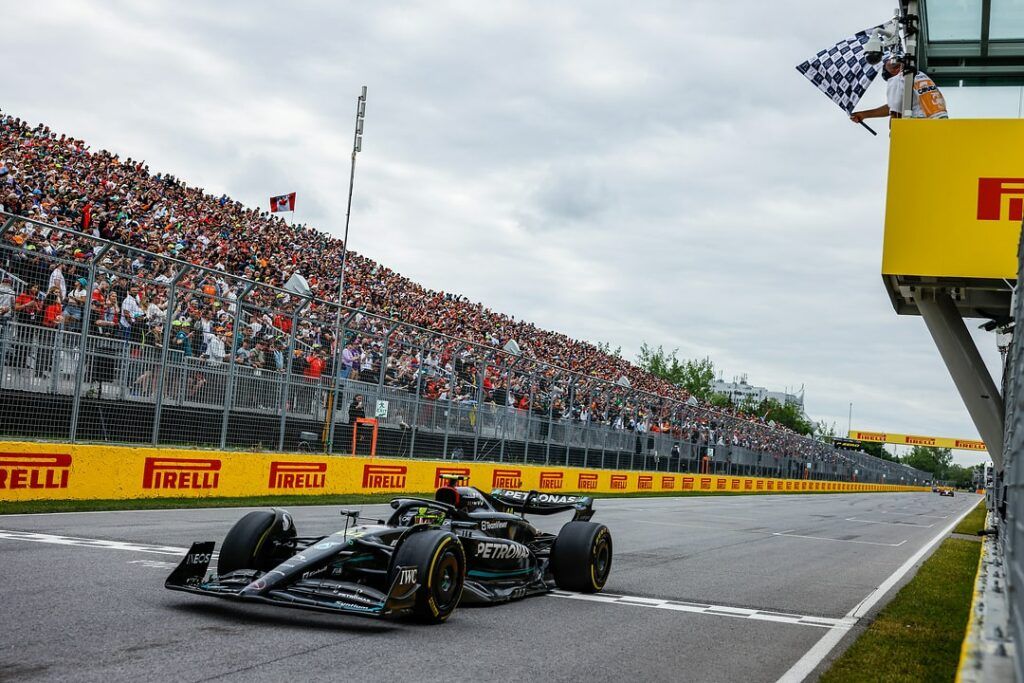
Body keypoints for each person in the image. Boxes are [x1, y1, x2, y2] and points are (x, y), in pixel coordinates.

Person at [850, 55, 948, 124]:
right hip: (937, 122)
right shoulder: (917, 75)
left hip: (918, 126)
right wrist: (864, 114)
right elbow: (894, 105)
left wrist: (894, 133)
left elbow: (895, 112)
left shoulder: (897, 78)